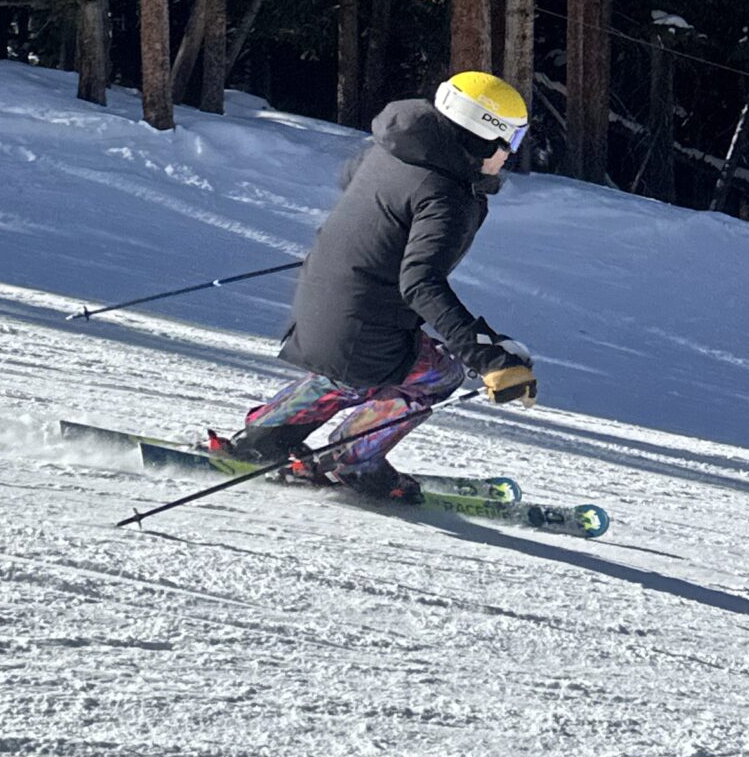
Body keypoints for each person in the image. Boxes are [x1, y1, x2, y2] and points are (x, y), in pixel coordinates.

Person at [218, 72, 538, 495]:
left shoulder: (393, 149)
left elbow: (358, 189)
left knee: (350, 368)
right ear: (480, 137)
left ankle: (265, 436)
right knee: (438, 375)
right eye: (509, 142)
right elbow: (421, 283)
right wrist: (487, 358)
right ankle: (353, 461)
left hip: (320, 299)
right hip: (361, 320)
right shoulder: (448, 196)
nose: (509, 155)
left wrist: (364, 249)